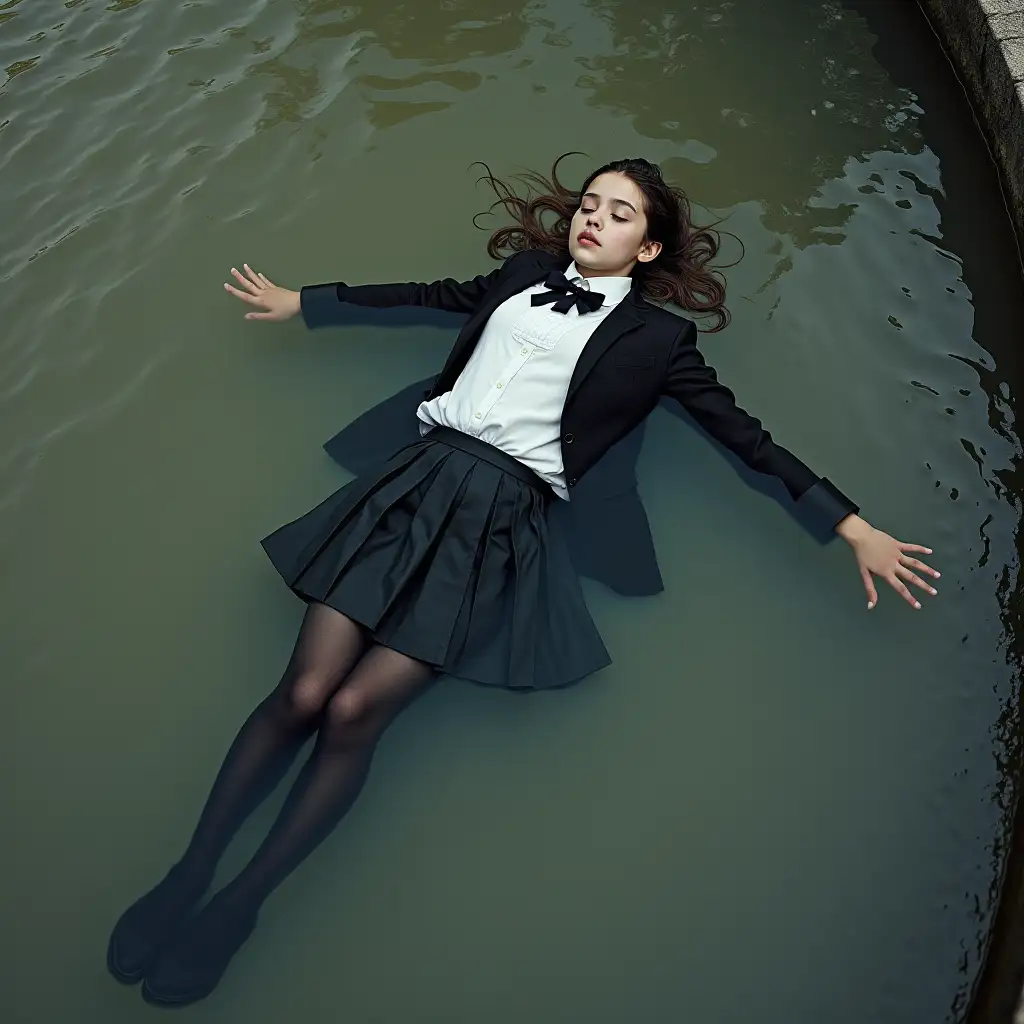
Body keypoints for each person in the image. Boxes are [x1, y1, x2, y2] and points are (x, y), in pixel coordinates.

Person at [106, 154, 939, 1006]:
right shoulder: (524, 274)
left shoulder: (658, 343)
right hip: (416, 486)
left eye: (619, 214)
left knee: (356, 714)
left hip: (501, 528)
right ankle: (190, 872)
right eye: (589, 205)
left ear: (649, 249)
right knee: (306, 689)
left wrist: (854, 527)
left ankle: (241, 905)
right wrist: (306, 304)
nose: (594, 219)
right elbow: (428, 296)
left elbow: (744, 438)